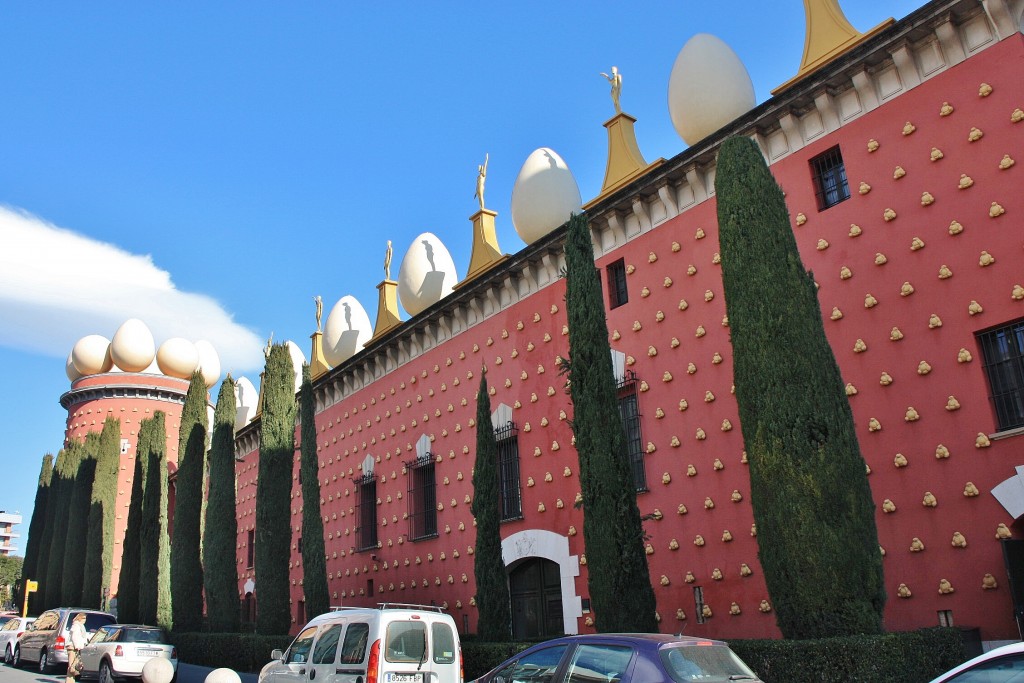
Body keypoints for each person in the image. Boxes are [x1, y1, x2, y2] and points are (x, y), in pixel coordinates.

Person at [66, 613, 88, 683]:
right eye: (83, 618)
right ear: (79, 618)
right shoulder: (76, 625)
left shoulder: (81, 626)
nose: (85, 620)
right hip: (73, 647)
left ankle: (71, 681)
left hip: (77, 647)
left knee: (74, 665)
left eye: (85, 618)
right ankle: (69, 681)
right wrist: (77, 646)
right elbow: (74, 637)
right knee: (72, 666)